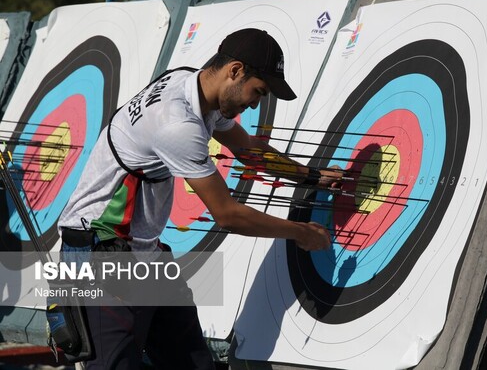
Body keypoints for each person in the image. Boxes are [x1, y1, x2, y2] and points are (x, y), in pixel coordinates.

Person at [55, 28, 341, 369]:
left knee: (194, 362)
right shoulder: (177, 123)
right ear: (235, 71)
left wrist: (311, 176)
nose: (254, 104)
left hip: (139, 251)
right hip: (98, 254)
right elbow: (227, 214)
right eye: (258, 92)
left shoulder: (191, 85)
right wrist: (301, 232)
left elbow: (248, 150)